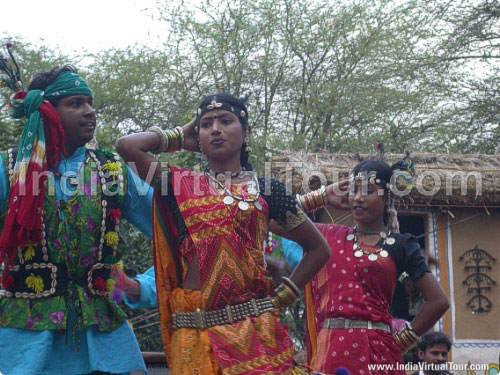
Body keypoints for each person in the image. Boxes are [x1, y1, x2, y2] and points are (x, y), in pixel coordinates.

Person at [115, 92, 331, 375]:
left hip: (258, 336)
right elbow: (127, 147)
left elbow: (319, 250)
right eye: (206, 124)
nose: (215, 129)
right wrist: (179, 137)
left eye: (226, 121)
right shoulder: (177, 184)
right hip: (195, 338)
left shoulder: (267, 190)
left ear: (246, 132)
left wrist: (283, 296)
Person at [0, 65, 153, 375]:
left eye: (90, 102)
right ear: (46, 111)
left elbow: (177, 232)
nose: (89, 112)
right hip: (25, 345)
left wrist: (140, 288)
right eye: (75, 103)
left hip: (104, 344)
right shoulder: (9, 168)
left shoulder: (113, 171)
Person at [287, 159, 449, 375]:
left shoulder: (401, 244)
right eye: (354, 190)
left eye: (370, 191)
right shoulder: (328, 236)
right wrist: (322, 196)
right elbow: (271, 219)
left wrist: (402, 341)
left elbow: (438, 301)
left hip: (378, 352)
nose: (359, 197)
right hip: (332, 350)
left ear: (387, 197)